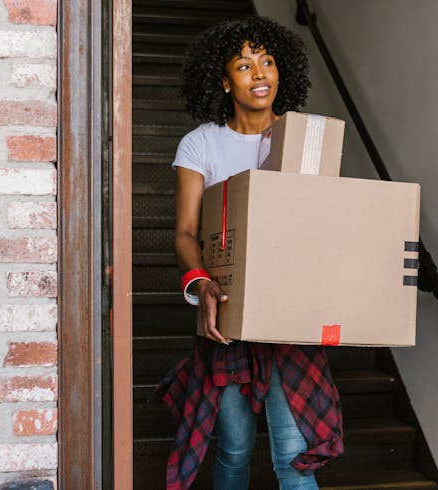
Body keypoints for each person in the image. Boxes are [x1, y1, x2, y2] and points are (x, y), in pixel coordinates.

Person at [154, 16, 344, 490]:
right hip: (228, 317)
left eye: (268, 62)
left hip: (290, 319)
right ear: (223, 80)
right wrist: (200, 282)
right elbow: (185, 232)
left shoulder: (305, 139)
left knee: (293, 458)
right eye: (244, 65)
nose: (260, 74)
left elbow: (324, 227)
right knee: (234, 450)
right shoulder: (201, 143)